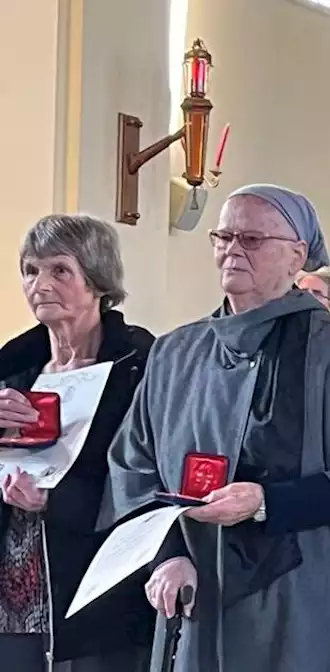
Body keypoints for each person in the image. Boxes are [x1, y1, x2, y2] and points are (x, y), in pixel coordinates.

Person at [101, 184, 330, 671]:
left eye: (251, 239)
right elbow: (132, 467)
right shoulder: (174, 354)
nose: (232, 250)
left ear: (297, 257)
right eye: (223, 236)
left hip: (309, 593)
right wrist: (166, 556)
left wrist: (268, 502)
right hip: (199, 585)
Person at [0, 214, 154, 672]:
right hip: (14, 586)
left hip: (98, 582)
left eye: (59, 270)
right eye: (31, 270)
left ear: (97, 280)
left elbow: (148, 475)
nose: (40, 284)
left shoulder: (139, 365)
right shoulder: (13, 367)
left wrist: (56, 501)